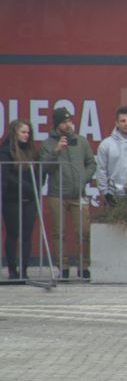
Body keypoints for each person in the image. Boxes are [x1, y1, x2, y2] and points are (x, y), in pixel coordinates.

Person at [41, 105, 96, 279]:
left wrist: (83, 179)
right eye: (64, 122)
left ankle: (84, 266)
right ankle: (62, 267)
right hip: (57, 194)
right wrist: (56, 151)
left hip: (78, 194)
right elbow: (44, 168)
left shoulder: (81, 141)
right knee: (59, 232)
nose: (68, 125)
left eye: (70, 121)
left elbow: (91, 163)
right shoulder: (48, 144)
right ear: (57, 124)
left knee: (84, 232)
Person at [1, 119, 43, 280]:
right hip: (12, 199)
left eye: (28, 132)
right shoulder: (6, 151)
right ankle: (12, 270)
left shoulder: (32, 151)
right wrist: (27, 187)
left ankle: (24, 269)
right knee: (12, 233)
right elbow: (6, 176)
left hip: (30, 199)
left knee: (27, 234)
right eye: (23, 132)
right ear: (15, 133)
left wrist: (36, 188)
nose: (26, 135)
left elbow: (38, 173)